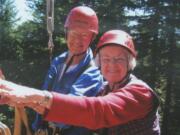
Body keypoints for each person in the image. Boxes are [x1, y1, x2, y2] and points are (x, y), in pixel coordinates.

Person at [0, 30, 160, 135]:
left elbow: (96, 111)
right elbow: (77, 108)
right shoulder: (104, 90)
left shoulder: (139, 93)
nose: (111, 64)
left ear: (130, 63)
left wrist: (35, 95)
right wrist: (26, 101)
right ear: (99, 63)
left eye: (118, 59)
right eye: (106, 59)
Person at [32, 6, 103, 135]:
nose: (77, 40)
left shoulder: (93, 72)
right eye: (74, 33)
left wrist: (30, 99)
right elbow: (46, 90)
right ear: (66, 32)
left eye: (84, 35)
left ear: (92, 38)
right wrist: (37, 127)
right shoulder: (58, 61)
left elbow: (70, 108)